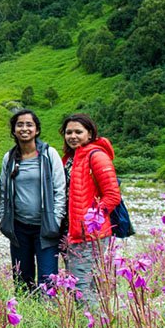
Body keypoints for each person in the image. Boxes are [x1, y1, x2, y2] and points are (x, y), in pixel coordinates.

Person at [0, 109, 66, 292]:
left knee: (48, 280)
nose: (24, 128)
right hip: (19, 227)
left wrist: (56, 220)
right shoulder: (9, 158)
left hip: (45, 227)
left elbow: (60, 189)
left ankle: (48, 309)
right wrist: (3, 219)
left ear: (37, 130)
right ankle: (24, 308)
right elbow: (3, 191)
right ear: (13, 130)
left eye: (29, 124)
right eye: (19, 125)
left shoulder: (49, 154)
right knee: (22, 279)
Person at [60, 113, 121, 299]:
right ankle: (92, 317)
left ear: (90, 134)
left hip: (89, 233)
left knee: (82, 287)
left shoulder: (97, 156)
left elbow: (112, 196)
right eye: (68, 132)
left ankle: (90, 319)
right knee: (80, 284)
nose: (73, 136)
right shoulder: (70, 158)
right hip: (71, 232)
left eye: (78, 132)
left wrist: (91, 220)